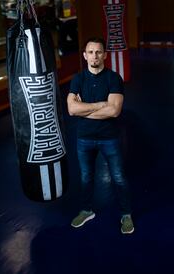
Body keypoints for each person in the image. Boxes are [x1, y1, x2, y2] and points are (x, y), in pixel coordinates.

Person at [67, 37, 134, 234]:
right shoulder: (78, 79)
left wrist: (84, 109)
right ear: (85, 55)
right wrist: (100, 105)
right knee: (86, 177)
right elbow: (71, 110)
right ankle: (86, 210)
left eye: (98, 52)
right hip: (84, 138)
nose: (94, 56)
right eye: (90, 52)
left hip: (109, 138)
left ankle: (126, 214)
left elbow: (114, 111)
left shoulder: (114, 78)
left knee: (119, 177)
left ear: (104, 55)